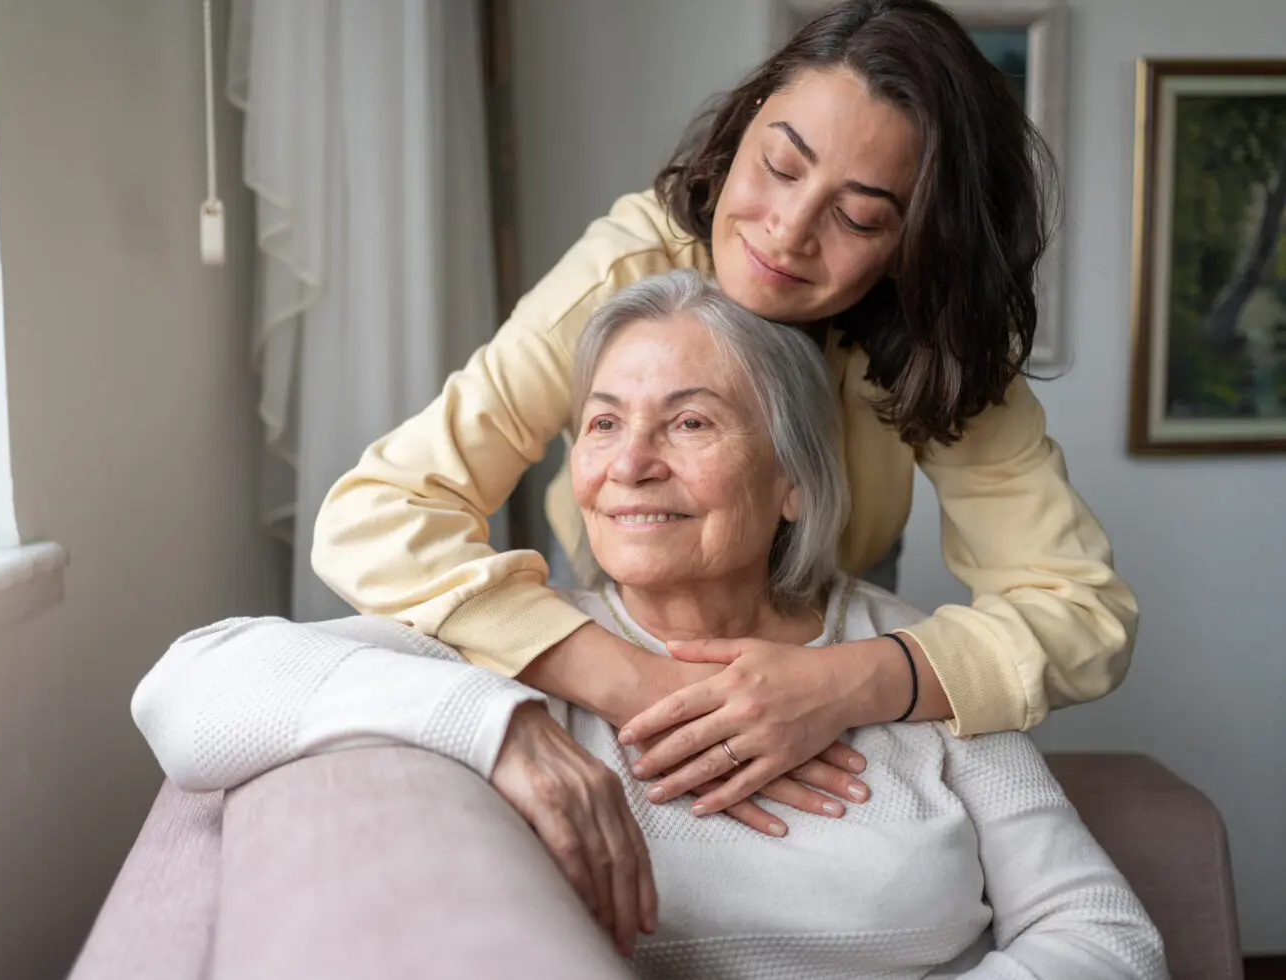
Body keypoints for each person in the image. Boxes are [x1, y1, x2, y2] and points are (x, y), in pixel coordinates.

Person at [133, 273, 1166, 978]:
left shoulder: (912, 661)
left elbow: (1107, 938)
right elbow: (186, 688)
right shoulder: (519, 643)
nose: (629, 464)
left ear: (794, 482)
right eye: (603, 422)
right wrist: (506, 727)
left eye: (690, 420)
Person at [310, 0, 1139, 831]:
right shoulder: (624, 272)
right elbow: (376, 515)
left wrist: (844, 681)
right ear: (743, 127)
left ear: (917, 244)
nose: (786, 231)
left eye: (857, 217)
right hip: (617, 615)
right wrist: (631, 678)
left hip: (835, 618)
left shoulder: (939, 347)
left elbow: (1083, 614)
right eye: (780, 165)